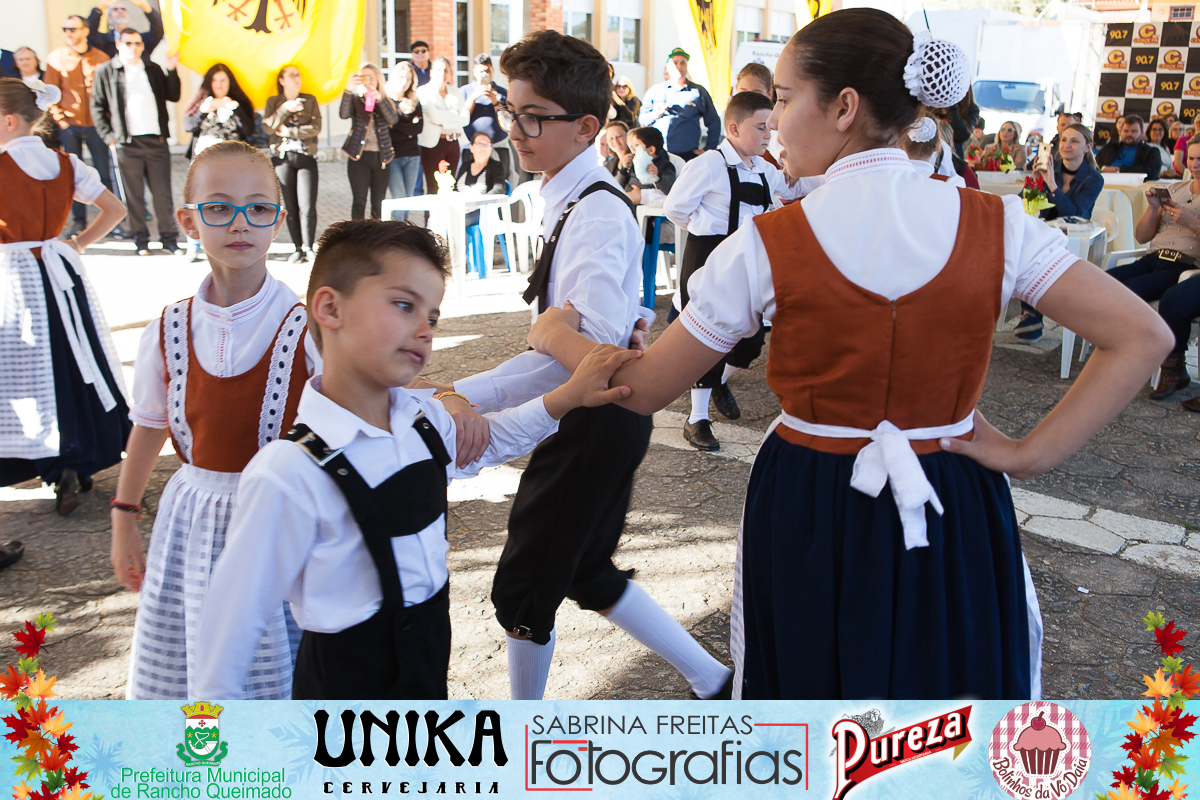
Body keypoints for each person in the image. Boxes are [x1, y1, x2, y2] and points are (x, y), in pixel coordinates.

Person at [527, 10, 1172, 700]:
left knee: (815, 695)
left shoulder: (768, 244)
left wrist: (554, 335)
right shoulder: (995, 224)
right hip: (952, 487)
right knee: (949, 683)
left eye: (781, 98)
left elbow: (642, 389)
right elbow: (1144, 336)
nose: (772, 121)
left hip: (813, 493)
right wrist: (1028, 453)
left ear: (843, 107)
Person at [192, 218, 639, 700]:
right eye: (404, 305)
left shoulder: (421, 420)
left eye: (432, 317)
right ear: (329, 307)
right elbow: (229, 632)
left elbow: (488, 441)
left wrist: (569, 396)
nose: (424, 331)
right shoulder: (289, 473)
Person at [431, 30, 732, 701]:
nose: (516, 130)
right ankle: (713, 678)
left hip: (593, 421)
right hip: (600, 420)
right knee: (587, 570)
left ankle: (524, 739)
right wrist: (469, 388)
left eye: (533, 117)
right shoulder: (570, 198)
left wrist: (495, 370)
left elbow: (592, 361)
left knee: (523, 590)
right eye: (512, 112)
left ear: (587, 127)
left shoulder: (594, 212)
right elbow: (573, 347)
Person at [111, 141, 311, 699]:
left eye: (258, 207)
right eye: (219, 207)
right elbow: (150, 425)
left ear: (279, 219)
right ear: (188, 219)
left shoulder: (307, 326)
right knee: (194, 655)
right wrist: (124, 517)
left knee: (274, 659)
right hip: (194, 518)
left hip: (276, 519)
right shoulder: (170, 327)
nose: (240, 223)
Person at [0, 78, 129, 515]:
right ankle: (79, 461)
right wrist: (78, 242)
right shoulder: (65, 163)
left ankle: (47, 459)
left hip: (15, 279)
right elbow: (117, 209)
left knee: (28, 370)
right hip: (61, 275)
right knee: (75, 360)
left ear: (9, 119)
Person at [663, 91, 817, 451]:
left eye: (769, 128)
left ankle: (718, 380)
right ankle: (697, 418)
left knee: (749, 341)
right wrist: (708, 225)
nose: (768, 134)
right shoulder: (707, 165)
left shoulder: (764, 168)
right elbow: (675, 208)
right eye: (760, 127)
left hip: (750, 258)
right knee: (707, 335)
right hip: (709, 255)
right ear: (733, 128)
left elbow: (798, 186)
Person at [1107, 138, 1200, 399]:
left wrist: (1192, 222)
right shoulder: (1176, 189)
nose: (1194, 164)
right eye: (1191, 158)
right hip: (1153, 257)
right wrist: (1153, 209)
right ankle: (1117, 351)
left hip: (1184, 264)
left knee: (1132, 293)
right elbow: (1141, 236)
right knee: (1103, 285)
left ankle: (1150, 360)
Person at [90, 29, 182, 256]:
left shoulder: (153, 68)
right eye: (128, 43)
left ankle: (169, 239)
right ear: (118, 44)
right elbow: (97, 106)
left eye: (138, 43)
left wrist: (171, 69)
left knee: (163, 194)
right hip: (126, 142)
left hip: (156, 139)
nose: (134, 47)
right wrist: (108, 136)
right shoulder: (106, 71)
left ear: (143, 46)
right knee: (133, 195)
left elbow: (173, 95)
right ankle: (141, 240)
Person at [1012, 124, 1104, 342]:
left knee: (1038, 250)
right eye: (1063, 140)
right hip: (1045, 235)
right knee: (1025, 243)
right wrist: (1034, 181)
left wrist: (1052, 185)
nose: (1066, 146)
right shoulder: (1048, 169)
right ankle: (1032, 312)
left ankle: (1033, 312)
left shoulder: (1093, 179)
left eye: (1074, 141)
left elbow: (1076, 214)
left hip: (1073, 238)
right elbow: (1023, 206)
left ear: (1087, 147)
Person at [45, 15, 114, 239]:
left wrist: (106, 121)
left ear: (85, 31)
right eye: (65, 29)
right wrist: (61, 120)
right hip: (70, 125)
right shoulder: (56, 58)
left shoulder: (101, 58)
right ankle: (79, 221)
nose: (69, 33)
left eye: (73, 29)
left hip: (96, 125)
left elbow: (108, 95)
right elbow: (49, 93)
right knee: (72, 176)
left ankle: (112, 221)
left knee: (104, 173)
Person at [182, 63, 254, 261]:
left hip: (232, 165)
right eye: (215, 80)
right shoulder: (202, 103)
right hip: (202, 164)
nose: (219, 84)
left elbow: (249, 130)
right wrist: (205, 110)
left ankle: (226, 243)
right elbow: (187, 125)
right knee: (198, 202)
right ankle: (194, 244)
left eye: (223, 80)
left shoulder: (237, 103)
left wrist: (233, 109)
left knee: (228, 203)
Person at [263, 65, 321, 263]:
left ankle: (309, 246)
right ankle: (297, 247)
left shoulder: (310, 100)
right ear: (281, 80)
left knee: (308, 205)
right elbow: (268, 127)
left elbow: (316, 127)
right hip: (282, 158)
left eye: (298, 75)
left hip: (306, 157)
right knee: (290, 206)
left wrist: (291, 132)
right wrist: (283, 109)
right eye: (292, 75)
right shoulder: (274, 102)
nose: (297, 78)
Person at [639, 48, 722, 162]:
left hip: (688, 156)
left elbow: (714, 121)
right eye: (675, 62)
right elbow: (642, 120)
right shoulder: (655, 91)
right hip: (660, 156)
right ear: (668, 67)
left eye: (683, 62)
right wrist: (654, 115)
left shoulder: (698, 92)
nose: (679, 66)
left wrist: (708, 149)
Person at [340, 63, 399, 220]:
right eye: (363, 77)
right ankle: (357, 239)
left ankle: (375, 239)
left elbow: (392, 119)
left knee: (378, 203)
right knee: (359, 201)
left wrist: (379, 99)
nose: (368, 81)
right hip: (359, 157)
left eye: (371, 77)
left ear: (378, 79)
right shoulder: (356, 100)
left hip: (381, 159)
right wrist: (348, 89)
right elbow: (343, 114)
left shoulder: (387, 101)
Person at [417, 58, 469, 195]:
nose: (443, 73)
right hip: (434, 144)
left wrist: (444, 119)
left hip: (454, 142)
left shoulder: (455, 92)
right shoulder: (423, 91)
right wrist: (454, 116)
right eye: (439, 69)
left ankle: (448, 217)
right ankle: (430, 217)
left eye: (446, 70)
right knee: (433, 187)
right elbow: (435, 117)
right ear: (431, 72)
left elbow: (465, 118)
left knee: (451, 185)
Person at [383, 60, 423, 222]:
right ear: (394, 77)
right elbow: (388, 131)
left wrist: (397, 127)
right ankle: (397, 236)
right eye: (401, 77)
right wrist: (407, 129)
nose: (404, 82)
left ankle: (403, 233)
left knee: (408, 199)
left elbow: (418, 128)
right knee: (399, 198)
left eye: (408, 79)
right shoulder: (386, 100)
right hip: (393, 157)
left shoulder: (414, 101)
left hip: (412, 156)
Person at [87, 0, 163, 59]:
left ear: (129, 18)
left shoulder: (141, 40)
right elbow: (89, 33)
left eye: (123, 9)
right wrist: (99, 8)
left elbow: (158, 30)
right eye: (115, 9)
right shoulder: (103, 41)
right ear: (109, 19)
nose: (120, 11)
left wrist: (145, 6)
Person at [623, 126, 677, 206]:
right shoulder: (633, 164)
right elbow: (618, 185)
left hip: (649, 212)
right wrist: (623, 169)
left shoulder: (665, 166)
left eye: (637, 145)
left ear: (651, 150)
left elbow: (670, 190)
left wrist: (657, 176)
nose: (633, 150)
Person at [1097, 115, 1162, 180]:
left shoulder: (1151, 152)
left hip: (1135, 186)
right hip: (1105, 183)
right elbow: (1092, 164)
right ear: (1121, 132)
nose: (1129, 134)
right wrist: (1103, 168)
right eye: (1126, 131)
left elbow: (1152, 172)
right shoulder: (1109, 148)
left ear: (1142, 133)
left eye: (1134, 131)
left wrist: (1120, 170)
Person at [604, 120, 633, 186]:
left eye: (619, 136)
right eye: (611, 138)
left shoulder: (636, 159)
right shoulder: (608, 165)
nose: (615, 140)